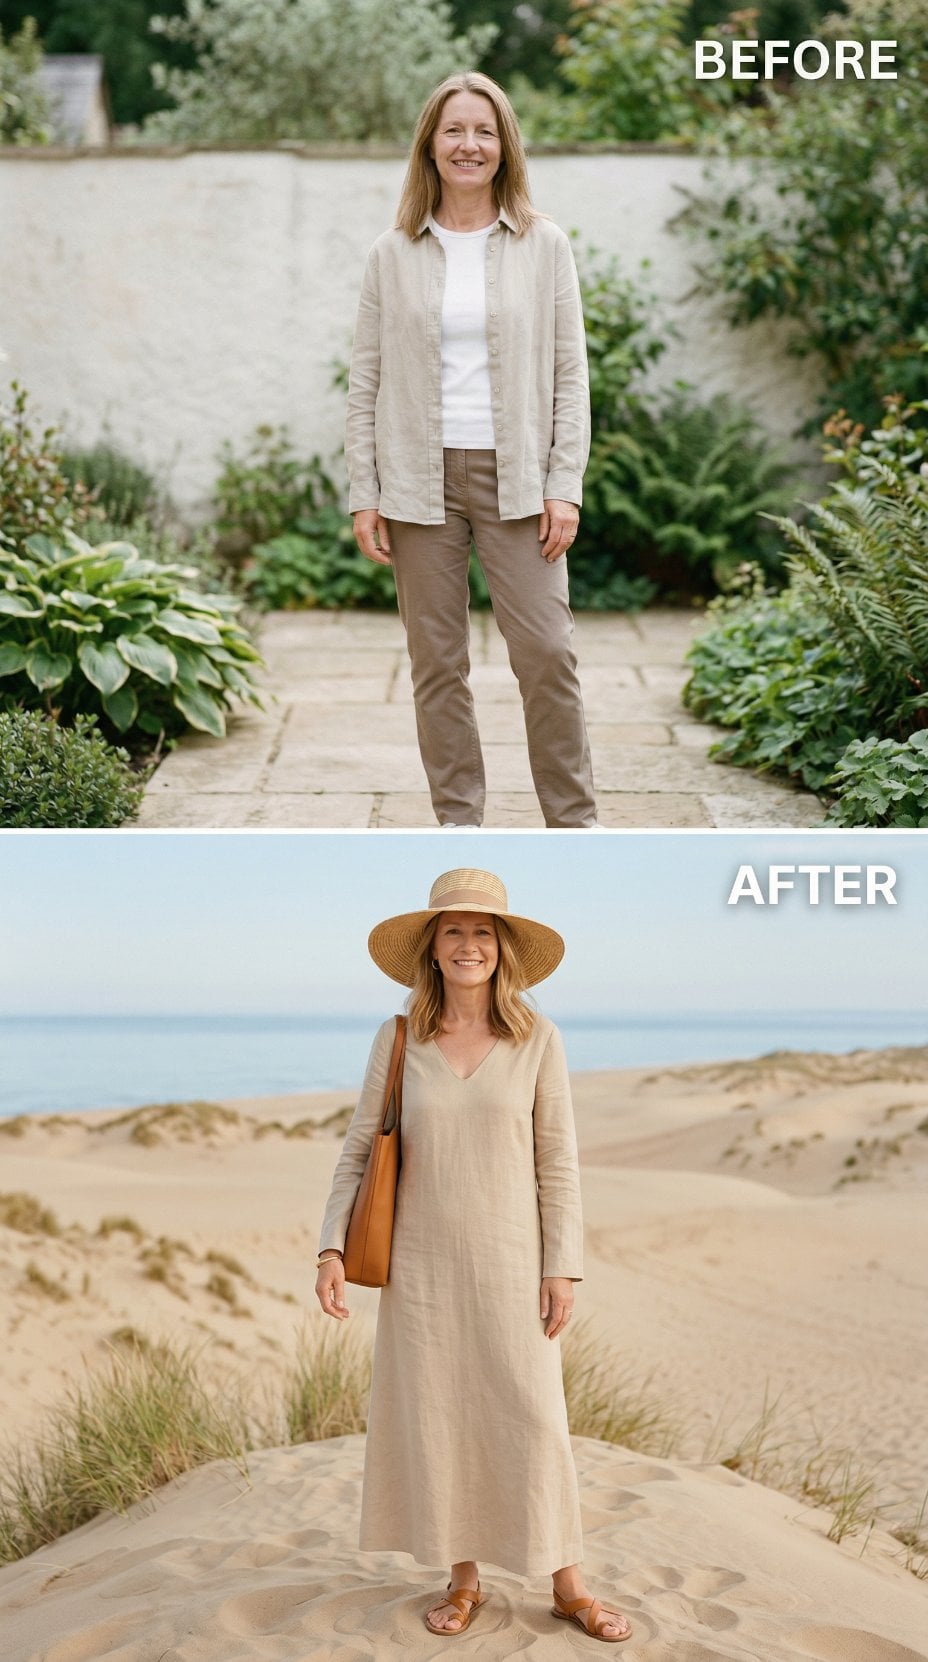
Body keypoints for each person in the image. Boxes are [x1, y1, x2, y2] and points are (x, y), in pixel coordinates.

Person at [315, 867, 632, 1642]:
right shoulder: (398, 1039)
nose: (468, 944)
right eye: (453, 930)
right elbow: (360, 1147)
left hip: (511, 1263)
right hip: (419, 1269)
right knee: (438, 1416)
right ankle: (463, 1582)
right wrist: (329, 1244)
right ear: (432, 946)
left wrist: (563, 1263)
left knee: (533, 1418)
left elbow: (558, 1161)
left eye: (482, 931)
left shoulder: (537, 1039)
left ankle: (568, 1584)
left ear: (502, 948)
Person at [345, 71, 599, 830]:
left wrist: (566, 483)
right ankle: (459, 823)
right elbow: (366, 379)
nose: (469, 144)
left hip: (518, 478)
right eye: (454, 130)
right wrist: (367, 489)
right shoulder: (391, 254)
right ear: (430, 143)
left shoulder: (543, 245)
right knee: (437, 666)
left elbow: (570, 374)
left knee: (549, 654)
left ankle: (574, 826)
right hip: (418, 482)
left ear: (504, 146)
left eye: (484, 131)